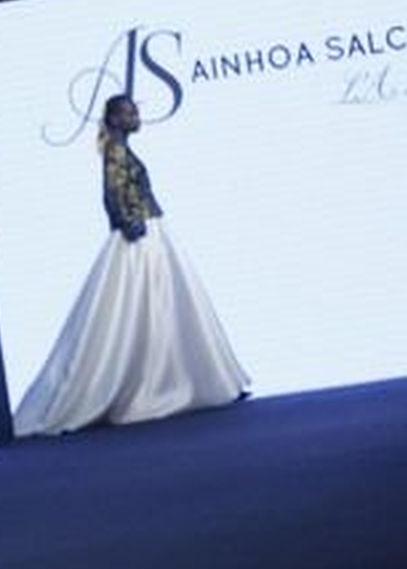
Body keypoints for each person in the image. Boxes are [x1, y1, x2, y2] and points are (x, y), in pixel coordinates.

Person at [13, 93, 250, 435]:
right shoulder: (115, 150)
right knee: (144, 310)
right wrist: (127, 222)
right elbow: (111, 193)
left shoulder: (120, 149)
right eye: (128, 113)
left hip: (150, 231)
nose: (136, 116)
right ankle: (152, 387)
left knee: (161, 308)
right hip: (139, 235)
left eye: (136, 111)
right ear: (113, 120)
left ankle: (173, 383)